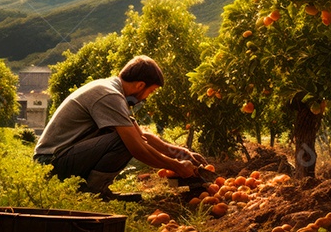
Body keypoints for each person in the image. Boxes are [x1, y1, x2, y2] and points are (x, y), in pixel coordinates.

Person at [33, 55, 204, 201]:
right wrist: (178, 166)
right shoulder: (109, 95)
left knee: (127, 137)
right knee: (124, 141)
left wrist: (181, 153)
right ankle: (93, 194)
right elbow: (137, 147)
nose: (147, 97)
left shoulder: (114, 92)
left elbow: (141, 135)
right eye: (150, 91)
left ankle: (94, 191)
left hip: (61, 157)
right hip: (50, 163)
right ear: (140, 85)